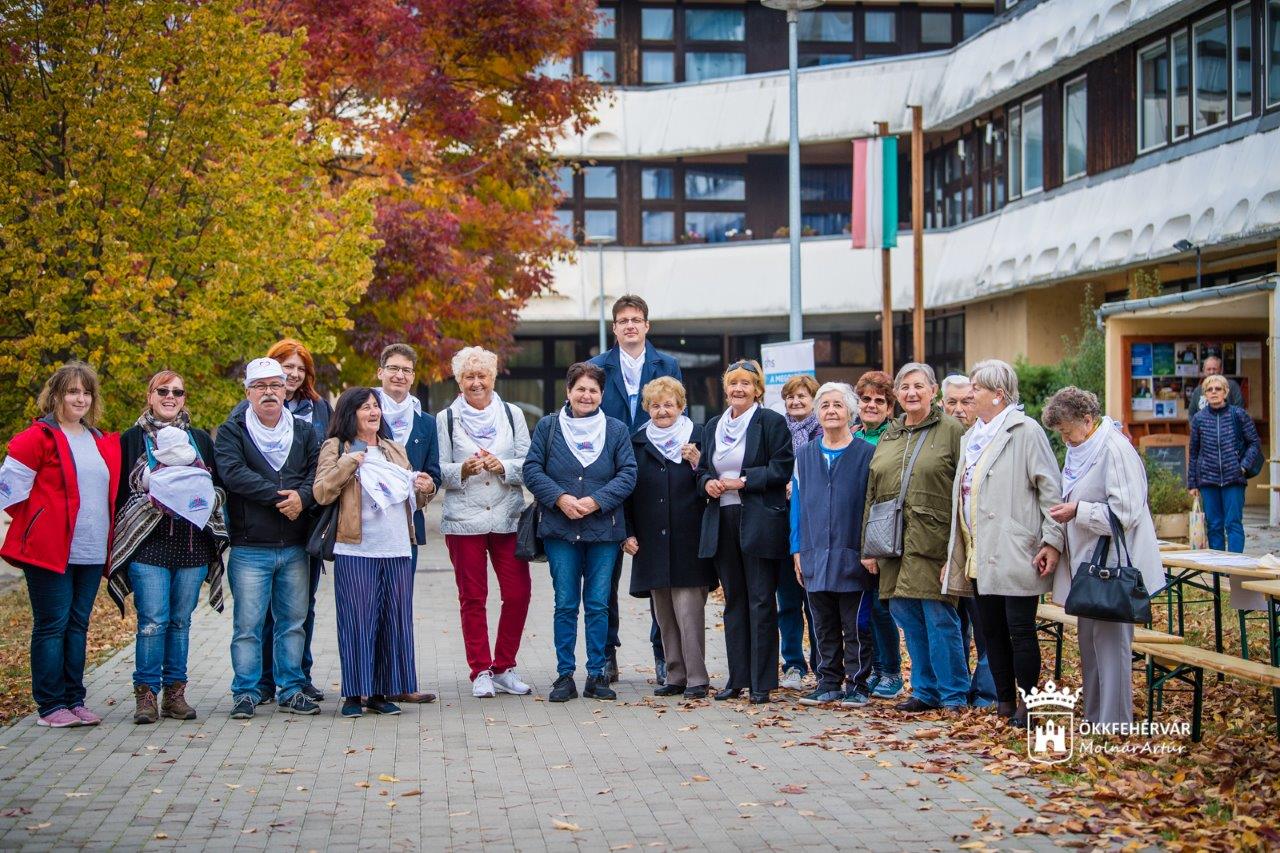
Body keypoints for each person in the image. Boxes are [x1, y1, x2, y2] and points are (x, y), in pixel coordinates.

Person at [942, 360, 1062, 727]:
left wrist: (1052, 541)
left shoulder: (1026, 431)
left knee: (1020, 630)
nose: (969, 393)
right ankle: (1004, 700)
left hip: (1016, 548)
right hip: (979, 548)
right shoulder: (971, 437)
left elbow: (1050, 490)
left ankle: (1028, 702)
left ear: (998, 395)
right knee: (991, 631)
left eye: (976, 388)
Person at [0, 363, 121, 728]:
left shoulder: (98, 439)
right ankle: (51, 705)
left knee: (77, 625)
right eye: (72, 391)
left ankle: (75, 699)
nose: (79, 398)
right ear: (55, 396)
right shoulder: (38, 437)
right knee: (51, 625)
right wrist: (41, 521)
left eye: (85, 392)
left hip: (90, 551)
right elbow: (10, 491)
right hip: (50, 552)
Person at [1042, 387, 1166, 726]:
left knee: (1112, 648)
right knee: (1090, 645)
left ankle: (1115, 720)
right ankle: (1095, 715)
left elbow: (1125, 513)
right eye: (1060, 433)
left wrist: (1078, 511)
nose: (1065, 439)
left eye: (1067, 431)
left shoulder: (1114, 449)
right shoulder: (1081, 448)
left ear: (1087, 420)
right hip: (1089, 567)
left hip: (1114, 568)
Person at [110, 371, 228, 724]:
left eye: (178, 391)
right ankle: (146, 696)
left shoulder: (199, 441)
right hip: (147, 547)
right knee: (152, 621)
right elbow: (119, 495)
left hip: (191, 548)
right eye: (163, 390)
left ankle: (175, 694)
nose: (171, 396)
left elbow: (217, 488)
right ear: (150, 395)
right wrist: (152, 497)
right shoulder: (131, 440)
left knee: (180, 621)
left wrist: (201, 498)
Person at [312, 388, 434, 718]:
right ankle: (354, 695)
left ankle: (381, 693)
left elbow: (412, 499)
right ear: (349, 413)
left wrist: (426, 489)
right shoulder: (336, 447)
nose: (373, 412)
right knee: (357, 621)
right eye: (365, 407)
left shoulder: (394, 449)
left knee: (393, 622)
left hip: (396, 546)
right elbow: (321, 492)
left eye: (376, 407)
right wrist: (347, 464)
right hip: (356, 548)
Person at [523, 362, 637, 702]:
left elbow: (628, 474)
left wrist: (596, 501)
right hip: (561, 530)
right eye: (580, 389)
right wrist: (560, 498)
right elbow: (532, 469)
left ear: (601, 395)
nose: (586, 395)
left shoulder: (616, 430)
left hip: (605, 531)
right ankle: (564, 675)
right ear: (568, 391)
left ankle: (597, 674)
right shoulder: (548, 427)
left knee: (599, 604)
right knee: (565, 603)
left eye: (593, 390)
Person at [214, 357, 321, 719]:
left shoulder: (304, 432)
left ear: (285, 389)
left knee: (293, 622)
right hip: (249, 548)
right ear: (248, 393)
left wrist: (302, 498)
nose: (269, 392)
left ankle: (291, 688)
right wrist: (282, 498)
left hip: (294, 545)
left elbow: (315, 472)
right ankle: (245, 692)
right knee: (248, 626)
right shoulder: (232, 431)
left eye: (275, 385)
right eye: (260, 387)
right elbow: (233, 474)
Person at [861, 363, 968, 713]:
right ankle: (925, 690)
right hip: (892, 542)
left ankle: (953, 693)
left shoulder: (953, 431)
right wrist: (869, 546)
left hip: (934, 543)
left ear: (933, 391)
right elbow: (872, 491)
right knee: (906, 615)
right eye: (905, 387)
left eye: (918, 386)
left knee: (939, 617)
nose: (911, 393)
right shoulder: (891, 434)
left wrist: (957, 553)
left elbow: (965, 494)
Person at [589, 295, 682, 685]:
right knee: (605, 572)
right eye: (623, 320)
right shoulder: (596, 368)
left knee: (658, 568)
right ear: (614, 329)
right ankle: (607, 654)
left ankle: (664, 655)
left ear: (647, 326)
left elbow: (677, 414)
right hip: (608, 479)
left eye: (637, 319)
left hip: (652, 476)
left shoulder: (668, 365)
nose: (630, 325)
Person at [437, 346, 534, 699]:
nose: (476, 383)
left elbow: (529, 464)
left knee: (519, 594)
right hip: (464, 520)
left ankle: (504, 666)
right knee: (473, 597)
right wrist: (461, 470)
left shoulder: (512, 415)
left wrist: (504, 467)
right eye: (468, 377)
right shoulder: (446, 419)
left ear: (493, 378)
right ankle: (480, 669)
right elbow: (438, 471)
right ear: (459, 381)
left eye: (482, 376)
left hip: (507, 516)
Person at [697, 359, 794, 705]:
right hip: (721, 520)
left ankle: (762, 681)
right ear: (725, 389)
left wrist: (745, 480)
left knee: (761, 600)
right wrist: (707, 482)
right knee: (734, 601)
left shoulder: (770, 421)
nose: (739, 389)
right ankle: (737, 678)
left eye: (746, 384)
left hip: (758, 520)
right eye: (733, 383)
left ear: (757, 390)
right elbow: (704, 469)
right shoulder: (712, 425)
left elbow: (782, 467)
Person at [623, 377, 717, 699]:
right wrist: (628, 531)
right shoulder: (637, 444)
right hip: (651, 540)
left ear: (681, 406)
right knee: (663, 613)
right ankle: (675, 675)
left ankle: (697, 678)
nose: (662, 411)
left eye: (669, 404)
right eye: (656, 405)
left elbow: (715, 479)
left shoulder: (700, 437)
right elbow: (627, 493)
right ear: (647, 408)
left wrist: (697, 462)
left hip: (690, 537)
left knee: (689, 611)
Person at [250, 339, 331, 705]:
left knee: (302, 605)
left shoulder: (319, 409)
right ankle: (265, 680)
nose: (294, 374)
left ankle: (300, 675)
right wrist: (278, 496)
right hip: (263, 520)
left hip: (307, 518)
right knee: (266, 607)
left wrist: (303, 498)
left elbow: (325, 459)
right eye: (287, 366)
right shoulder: (250, 408)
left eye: (301, 368)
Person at [790, 383, 877, 708]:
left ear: (850, 412)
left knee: (855, 625)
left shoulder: (866, 454)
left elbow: (874, 507)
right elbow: (797, 504)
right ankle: (828, 682)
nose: (830, 410)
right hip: (814, 553)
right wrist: (797, 548)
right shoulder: (805, 454)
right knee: (822, 624)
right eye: (824, 405)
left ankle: (857, 684)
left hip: (853, 554)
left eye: (837, 405)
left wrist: (871, 550)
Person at [373, 343, 440, 704]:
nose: (400, 375)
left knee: (400, 607)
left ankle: (402, 681)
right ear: (380, 372)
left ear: (414, 377)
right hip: (366, 527)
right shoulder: (362, 413)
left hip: (407, 529)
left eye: (407, 370)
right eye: (393, 368)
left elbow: (434, 474)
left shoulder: (425, 423)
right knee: (369, 607)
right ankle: (367, 682)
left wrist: (429, 485)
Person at [937, 373, 995, 707]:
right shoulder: (939, 438)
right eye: (952, 402)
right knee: (952, 625)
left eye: (966, 401)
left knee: (984, 623)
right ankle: (956, 690)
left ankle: (985, 691)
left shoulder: (986, 439)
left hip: (978, 548)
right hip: (942, 547)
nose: (959, 409)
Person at [853, 370, 905, 701]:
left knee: (881, 607)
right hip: (852, 531)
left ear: (889, 408)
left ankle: (891, 672)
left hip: (881, 530)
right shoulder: (852, 435)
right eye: (866, 399)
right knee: (863, 609)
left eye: (880, 401)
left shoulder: (896, 437)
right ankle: (871, 668)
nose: (872, 405)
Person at [778, 374, 822, 691]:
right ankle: (792, 663)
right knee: (788, 602)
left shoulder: (824, 431)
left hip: (815, 527)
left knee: (816, 601)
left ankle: (822, 665)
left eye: (802, 396)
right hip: (783, 526)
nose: (796, 402)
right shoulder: (777, 430)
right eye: (791, 397)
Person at [1188, 374, 1262, 553]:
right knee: (1214, 526)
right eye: (1209, 389)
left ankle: (1235, 568)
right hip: (1208, 480)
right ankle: (1219, 573)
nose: (1214, 392)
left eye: (1218, 389)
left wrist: (1243, 466)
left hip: (1234, 479)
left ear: (1226, 392)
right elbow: (1194, 452)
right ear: (1204, 394)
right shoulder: (1199, 419)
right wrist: (1192, 483)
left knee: (1233, 524)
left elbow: (1254, 443)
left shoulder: (1239, 415)